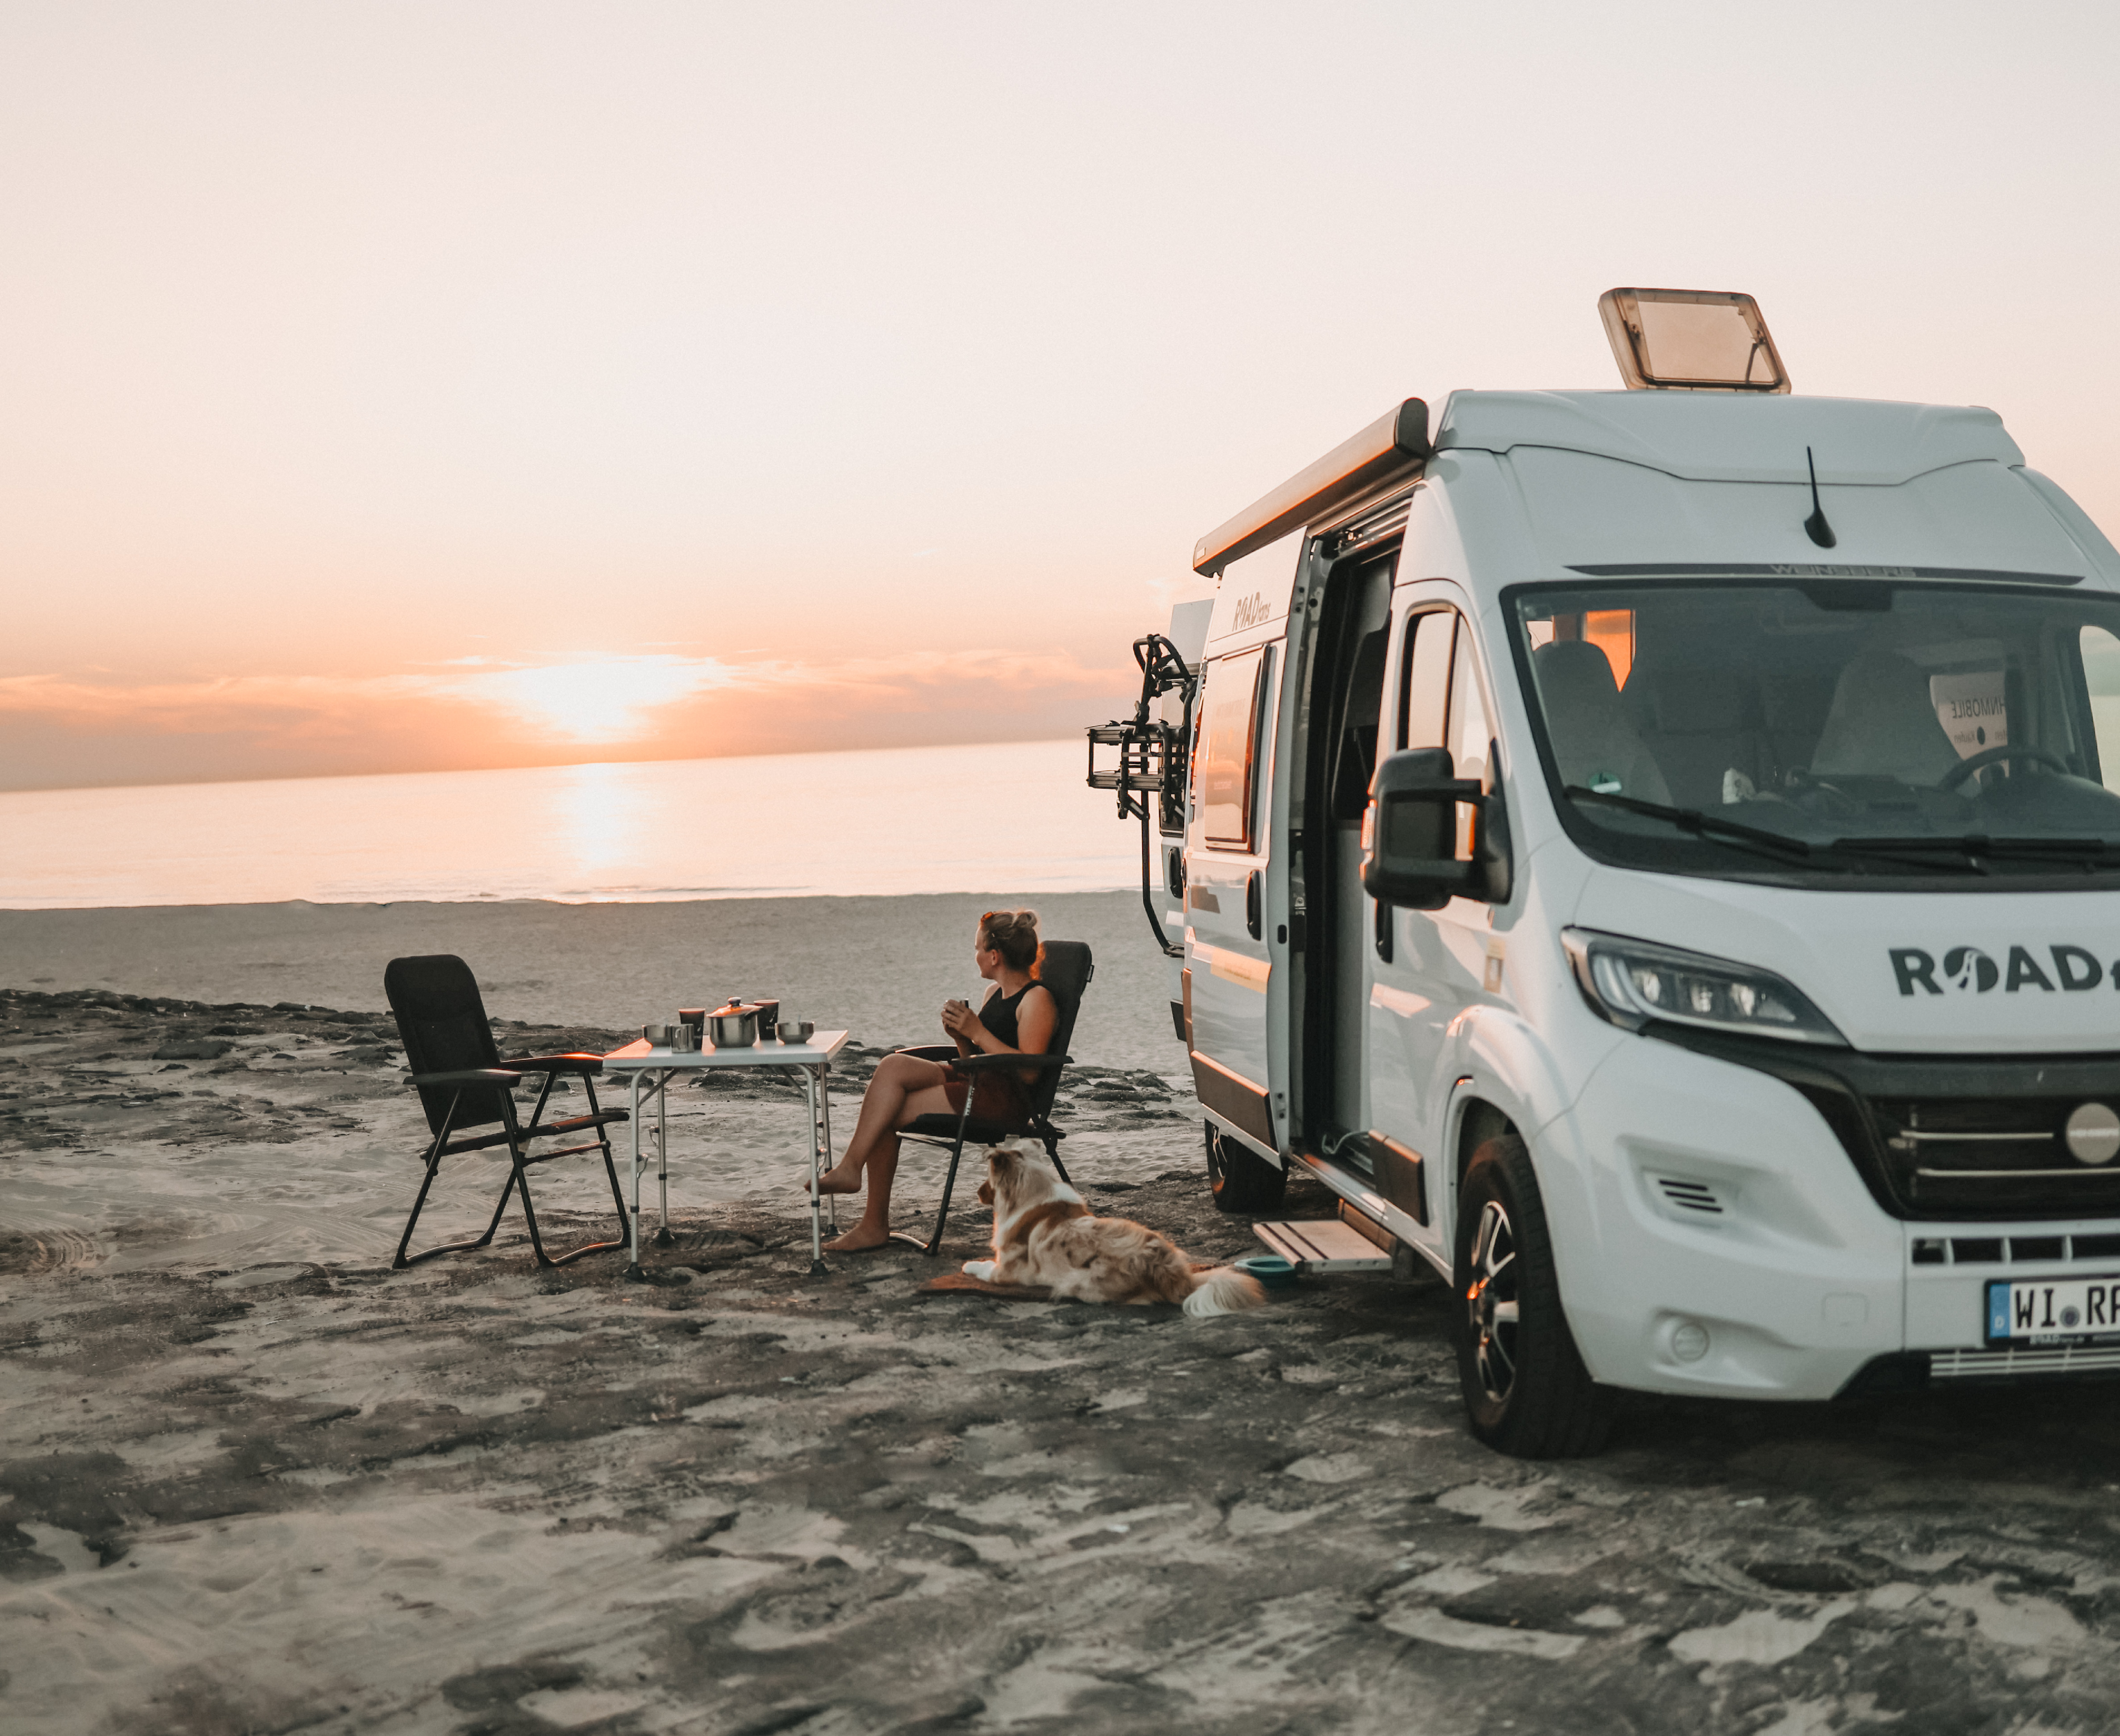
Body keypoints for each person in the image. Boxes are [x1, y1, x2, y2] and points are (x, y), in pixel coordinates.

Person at [812, 908, 1057, 1252]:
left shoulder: (1037, 999)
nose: (975, 955)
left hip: (1002, 1100)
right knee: (893, 1066)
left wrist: (978, 1031)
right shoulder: (993, 995)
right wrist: (961, 1037)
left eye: (977, 948)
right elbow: (975, 1060)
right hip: (976, 1082)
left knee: (886, 1110)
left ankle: (873, 1224)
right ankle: (852, 1171)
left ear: (994, 955)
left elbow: (1030, 1071)